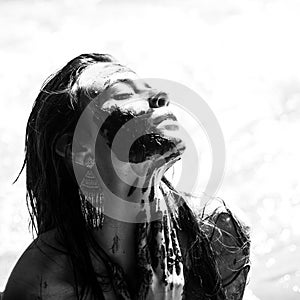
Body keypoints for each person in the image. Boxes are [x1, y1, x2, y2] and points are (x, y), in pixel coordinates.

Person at [2, 53, 250, 300]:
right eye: (124, 94)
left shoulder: (215, 232)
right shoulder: (45, 283)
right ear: (78, 149)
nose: (160, 97)